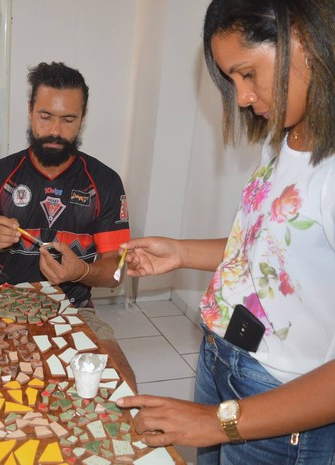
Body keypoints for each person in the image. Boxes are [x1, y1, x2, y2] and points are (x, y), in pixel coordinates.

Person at [115, 1, 335, 464]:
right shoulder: (285, 136)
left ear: (305, 42)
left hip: (280, 401)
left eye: (247, 73)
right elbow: (267, 251)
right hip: (221, 357)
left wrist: (214, 422)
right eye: (231, 80)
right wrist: (179, 252)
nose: (241, 98)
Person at [0, 61, 131, 341]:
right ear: (30, 111)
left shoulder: (105, 182)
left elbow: (115, 274)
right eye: (46, 116)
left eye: (68, 120)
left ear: (82, 118)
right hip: (2, 306)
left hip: (74, 310)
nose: (55, 131)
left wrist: (81, 271)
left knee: (114, 370)